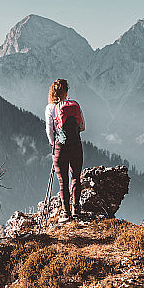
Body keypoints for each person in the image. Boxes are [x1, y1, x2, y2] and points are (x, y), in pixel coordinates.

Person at [45, 78, 85, 222]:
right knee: (76, 178)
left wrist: (53, 144)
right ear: (66, 91)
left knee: (63, 181)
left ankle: (66, 213)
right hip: (76, 145)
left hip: (60, 147)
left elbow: (49, 131)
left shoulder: (50, 108)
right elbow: (82, 127)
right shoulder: (74, 106)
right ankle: (76, 210)